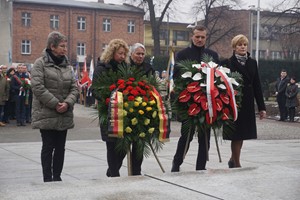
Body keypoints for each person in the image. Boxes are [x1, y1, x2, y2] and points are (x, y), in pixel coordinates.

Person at [92, 40, 155, 177]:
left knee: (121, 149)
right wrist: (111, 98)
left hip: (125, 113)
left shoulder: (126, 68)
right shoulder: (101, 68)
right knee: (113, 148)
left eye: (124, 54)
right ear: (112, 52)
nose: (122, 56)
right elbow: (95, 90)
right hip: (110, 113)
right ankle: (113, 173)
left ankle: (114, 172)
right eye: (120, 53)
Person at [31, 31, 79, 182]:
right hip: (46, 112)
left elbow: (74, 87)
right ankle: (47, 178)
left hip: (63, 113)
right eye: (62, 46)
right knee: (48, 147)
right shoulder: (40, 63)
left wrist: (67, 103)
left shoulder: (67, 65)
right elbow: (38, 87)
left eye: (66, 46)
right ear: (52, 46)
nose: (65, 49)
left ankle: (57, 177)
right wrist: (55, 103)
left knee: (60, 148)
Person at [171, 25, 219, 172]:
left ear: (206, 37)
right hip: (188, 103)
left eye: (202, 37)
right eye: (197, 36)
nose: (199, 39)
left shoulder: (213, 55)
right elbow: (177, 79)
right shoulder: (182, 55)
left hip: (207, 103)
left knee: (205, 138)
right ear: (192, 37)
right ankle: (177, 163)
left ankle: (201, 166)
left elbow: (218, 78)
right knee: (186, 136)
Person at [221, 34, 266, 168]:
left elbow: (257, 85)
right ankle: (236, 163)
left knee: (242, 134)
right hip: (234, 103)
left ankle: (233, 158)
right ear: (234, 47)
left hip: (247, 103)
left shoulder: (252, 63)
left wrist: (262, 107)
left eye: (245, 44)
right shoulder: (227, 63)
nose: (242, 47)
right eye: (240, 44)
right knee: (236, 134)